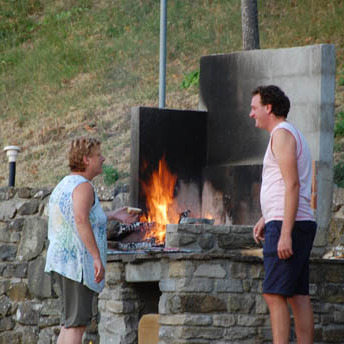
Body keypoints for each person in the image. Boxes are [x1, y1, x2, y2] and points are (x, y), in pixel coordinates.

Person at [45, 137, 137, 344]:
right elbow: (80, 219)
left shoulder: (65, 184)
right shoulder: (83, 186)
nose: (103, 159)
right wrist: (96, 257)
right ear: (86, 159)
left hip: (64, 264)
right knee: (76, 327)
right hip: (77, 267)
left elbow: (80, 216)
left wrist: (113, 214)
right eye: (98, 155)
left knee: (69, 324)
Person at [250, 85, 317, 344]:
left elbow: (293, 184)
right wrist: (267, 215)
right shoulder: (287, 134)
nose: (251, 113)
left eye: (254, 107)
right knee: (297, 295)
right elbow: (285, 185)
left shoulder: (281, 134)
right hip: (289, 221)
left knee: (274, 294)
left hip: (290, 226)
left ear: (269, 108)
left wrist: (285, 233)